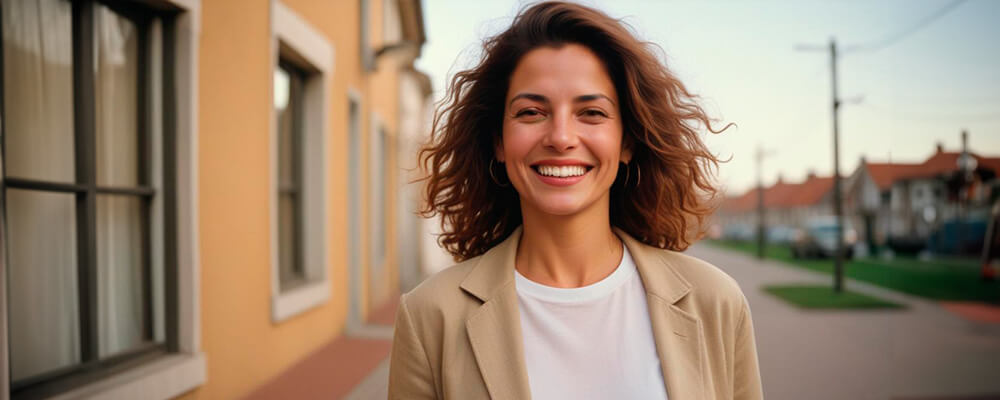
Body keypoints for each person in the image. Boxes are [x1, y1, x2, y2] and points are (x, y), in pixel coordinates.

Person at [389, 2, 763, 399]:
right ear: (498, 141)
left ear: (627, 141)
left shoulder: (716, 302)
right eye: (531, 112)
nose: (561, 136)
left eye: (592, 112)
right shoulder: (430, 315)